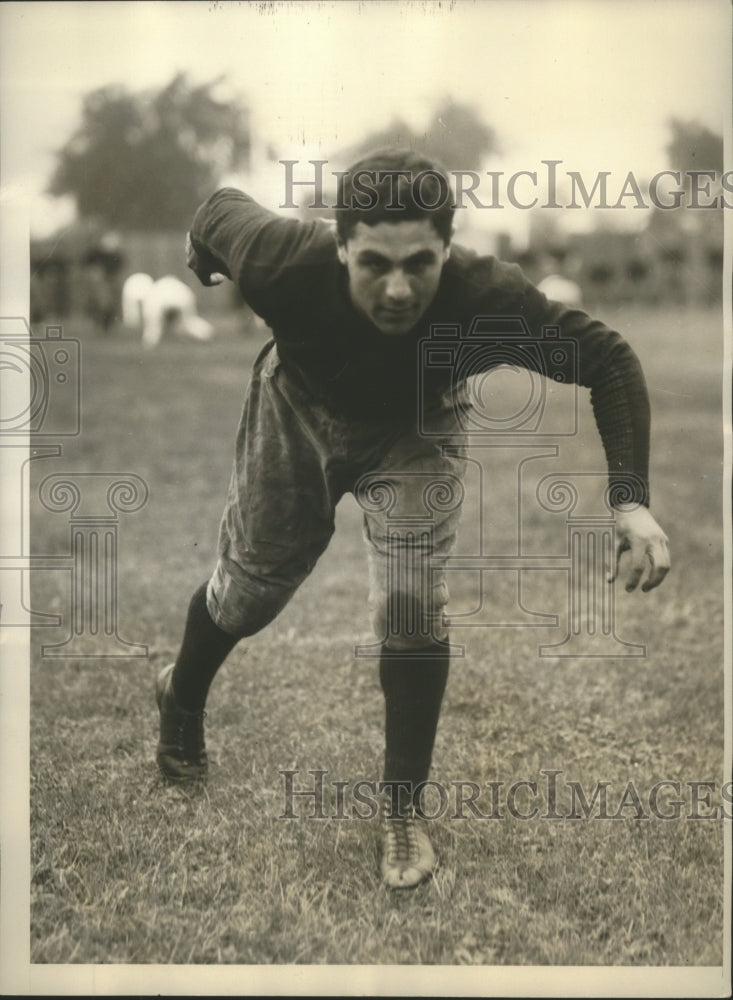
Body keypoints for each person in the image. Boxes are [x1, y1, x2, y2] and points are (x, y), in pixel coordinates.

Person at [155, 148, 670, 889]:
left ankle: (401, 809)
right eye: (372, 264)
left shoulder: (482, 296)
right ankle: (180, 697)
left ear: (447, 248)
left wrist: (628, 498)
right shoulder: (279, 259)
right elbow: (216, 209)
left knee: (409, 601)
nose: (397, 290)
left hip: (416, 425)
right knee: (247, 593)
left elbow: (608, 358)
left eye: (419, 264)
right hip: (295, 407)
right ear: (338, 248)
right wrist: (202, 254)